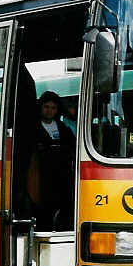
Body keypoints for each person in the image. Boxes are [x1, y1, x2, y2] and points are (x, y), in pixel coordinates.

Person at [30, 91, 75, 230]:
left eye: (53, 108)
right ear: (41, 107)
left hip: (63, 178)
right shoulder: (33, 127)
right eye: (46, 107)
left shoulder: (63, 127)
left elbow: (72, 147)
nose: (50, 111)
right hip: (42, 178)